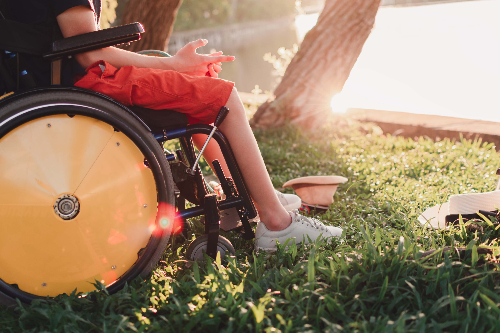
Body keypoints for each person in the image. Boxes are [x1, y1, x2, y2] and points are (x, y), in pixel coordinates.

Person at [1, 0, 342, 251]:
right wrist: (175, 65)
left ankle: (245, 197)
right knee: (224, 97)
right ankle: (277, 224)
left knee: (199, 81)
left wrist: (174, 67)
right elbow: (90, 53)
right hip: (90, 85)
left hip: (72, 81)